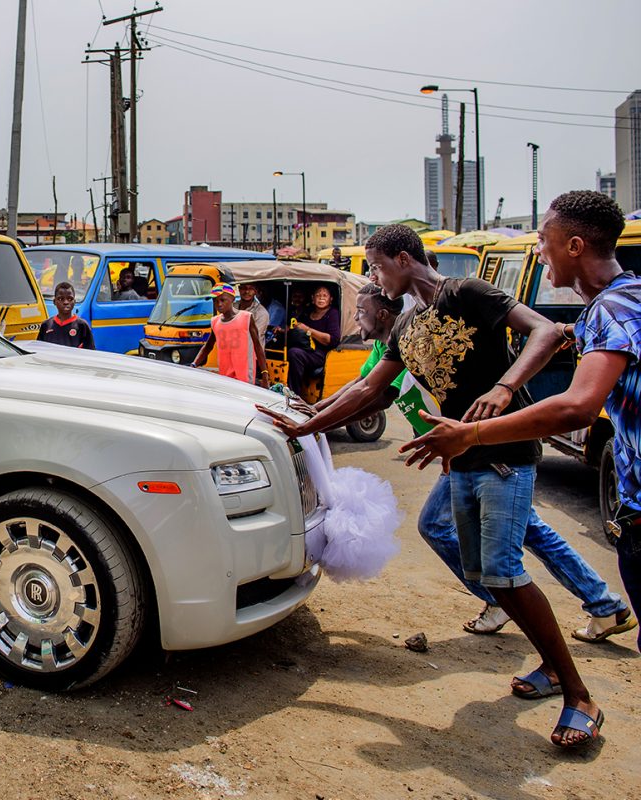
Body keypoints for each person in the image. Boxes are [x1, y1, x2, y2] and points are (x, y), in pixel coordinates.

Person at [261, 223, 601, 749]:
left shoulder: (463, 292)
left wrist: (505, 387)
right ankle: (554, 667)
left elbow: (546, 331)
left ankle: (579, 695)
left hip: (505, 454)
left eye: (376, 267)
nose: (373, 278)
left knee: (504, 574)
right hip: (458, 457)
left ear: (402, 258)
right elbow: (372, 390)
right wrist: (307, 418)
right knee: (482, 569)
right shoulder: (407, 324)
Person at [319, 284, 633, 643]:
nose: (356, 317)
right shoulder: (388, 345)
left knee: (461, 539)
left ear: (386, 310)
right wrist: (310, 415)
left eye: (362, 309)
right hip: (464, 450)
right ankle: (601, 603)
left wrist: (309, 422)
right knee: (525, 527)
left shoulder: (429, 332)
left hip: (485, 449)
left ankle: (509, 607)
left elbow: (368, 395)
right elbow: (360, 388)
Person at [405, 190, 641, 661]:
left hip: (507, 460)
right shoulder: (624, 300)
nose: (538, 251)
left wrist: (469, 433)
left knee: (499, 559)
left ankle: (564, 661)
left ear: (574, 246)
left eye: (543, 239)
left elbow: (575, 408)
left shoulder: (612, 310)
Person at [191, 284, 269, 387]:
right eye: (215, 301)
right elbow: (208, 346)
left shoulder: (246, 318)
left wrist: (265, 375)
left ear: (232, 299)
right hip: (225, 375)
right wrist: (194, 364)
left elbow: (257, 346)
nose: (219, 304)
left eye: (223, 300)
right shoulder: (215, 321)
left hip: (244, 374)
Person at [286, 285, 340, 395]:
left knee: (294, 353)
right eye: (318, 295)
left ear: (331, 299)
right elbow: (297, 327)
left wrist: (308, 330)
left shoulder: (332, 314)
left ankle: (294, 394)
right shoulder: (308, 312)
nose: (321, 298)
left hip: (321, 353)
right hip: (306, 348)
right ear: (312, 298)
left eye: (325, 296)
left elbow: (331, 340)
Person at [38, 281, 94, 349]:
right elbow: (40, 350)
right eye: (61, 299)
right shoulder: (46, 325)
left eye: (70, 299)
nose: (66, 302)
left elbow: (90, 352)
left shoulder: (82, 326)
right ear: (54, 301)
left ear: (74, 301)